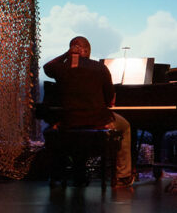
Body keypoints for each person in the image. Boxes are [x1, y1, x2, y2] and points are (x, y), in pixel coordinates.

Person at [43, 36, 134, 187]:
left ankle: (61, 175)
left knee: (54, 129)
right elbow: (109, 99)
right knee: (125, 126)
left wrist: (67, 54)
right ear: (88, 51)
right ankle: (122, 177)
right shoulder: (100, 68)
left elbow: (47, 67)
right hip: (97, 123)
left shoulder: (61, 68)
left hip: (69, 123)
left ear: (72, 50)